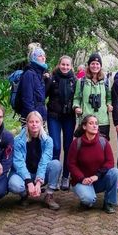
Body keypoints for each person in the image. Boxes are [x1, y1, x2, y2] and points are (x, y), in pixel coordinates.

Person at [67, 115, 118, 214]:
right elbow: (71, 164)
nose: (95, 126)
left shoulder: (103, 142)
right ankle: (87, 200)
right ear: (84, 126)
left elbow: (110, 162)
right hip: (82, 181)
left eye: (96, 123)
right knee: (88, 200)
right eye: (91, 123)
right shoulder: (76, 143)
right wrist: (82, 178)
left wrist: (97, 176)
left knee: (115, 172)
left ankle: (108, 202)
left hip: (98, 180)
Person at [8, 111, 62, 210]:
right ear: (27, 123)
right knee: (14, 184)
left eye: (37, 122)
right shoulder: (18, 140)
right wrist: (28, 181)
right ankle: (25, 194)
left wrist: (38, 182)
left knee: (56, 164)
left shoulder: (48, 140)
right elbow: (18, 163)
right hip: (23, 174)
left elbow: (45, 161)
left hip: (40, 173)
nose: (34, 124)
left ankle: (49, 195)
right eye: (31, 122)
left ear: (41, 123)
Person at [45, 55, 77, 191]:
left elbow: (78, 98)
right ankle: (54, 177)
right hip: (54, 116)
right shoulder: (52, 79)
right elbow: (43, 95)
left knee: (68, 147)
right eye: (63, 64)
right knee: (56, 146)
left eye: (67, 65)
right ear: (59, 65)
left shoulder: (74, 81)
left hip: (69, 117)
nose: (65, 67)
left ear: (71, 67)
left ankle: (65, 176)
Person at [73, 53, 113, 140]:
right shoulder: (81, 82)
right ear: (89, 65)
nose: (95, 66)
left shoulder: (106, 82)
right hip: (86, 120)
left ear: (100, 66)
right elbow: (76, 98)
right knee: (84, 147)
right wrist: (76, 107)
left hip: (102, 121)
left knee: (102, 147)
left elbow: (109, 98)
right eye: (93, 63)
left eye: (97, 64)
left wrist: (109, 104)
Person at [17, 43, 48, 122]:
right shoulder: (29, 74)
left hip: (40, 115)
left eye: (44, 56)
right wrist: (33, 118)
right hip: (31, 118)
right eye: (40, 56)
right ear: (34, 58)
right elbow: (27, 99)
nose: (43, 58)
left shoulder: (39, 74)